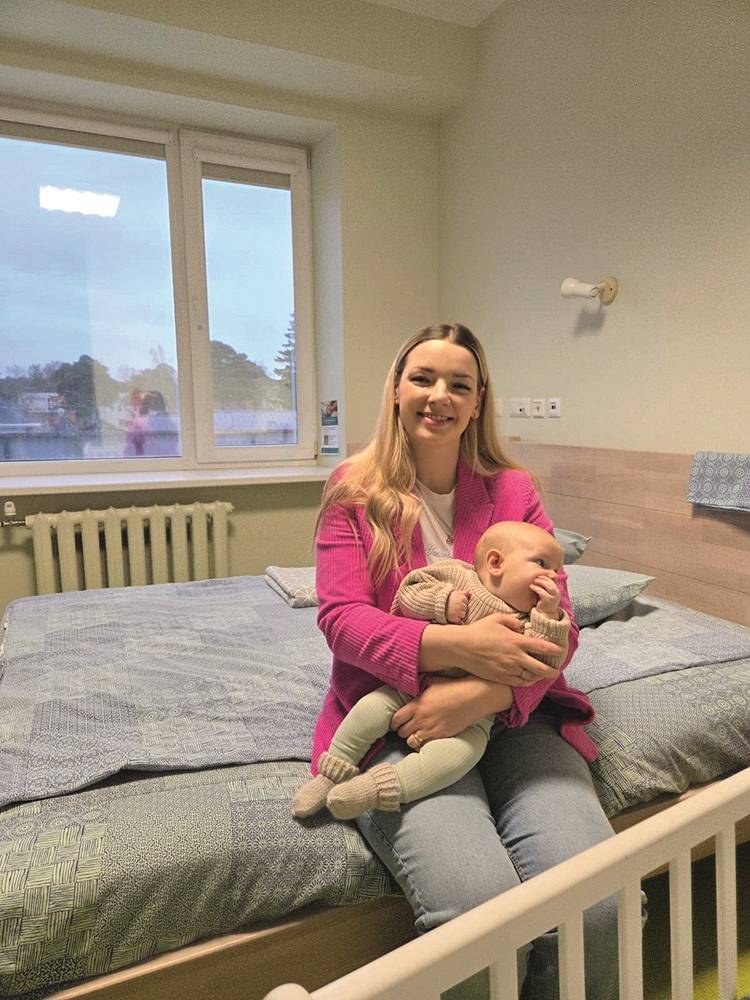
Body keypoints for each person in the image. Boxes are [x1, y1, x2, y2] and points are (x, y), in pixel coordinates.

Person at [307, 323, 619, 1000]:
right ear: (396, 389)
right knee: (480, 919)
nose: (439, 395)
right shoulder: (354, 489)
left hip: (514, 716)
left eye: (459, 383)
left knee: (600, 906)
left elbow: (559, 628)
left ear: (478, 402)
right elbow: (342, 620)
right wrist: (459, 648)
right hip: (401, 719)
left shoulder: (514, 490)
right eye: (422, 378)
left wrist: (486, 696)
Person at [293, 520, 571, 820]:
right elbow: (409, 592)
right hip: (414, 684)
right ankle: (331, 773)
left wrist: (547, 616)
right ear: (495, 562)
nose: (554, 578)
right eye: (542, 564)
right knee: (370, 709)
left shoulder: (531, 618)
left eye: (557, 570)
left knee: (462, 754)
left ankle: (376, 789)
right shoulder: (458, 576)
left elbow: (548, 661)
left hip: (479, 717)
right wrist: (442, 602)